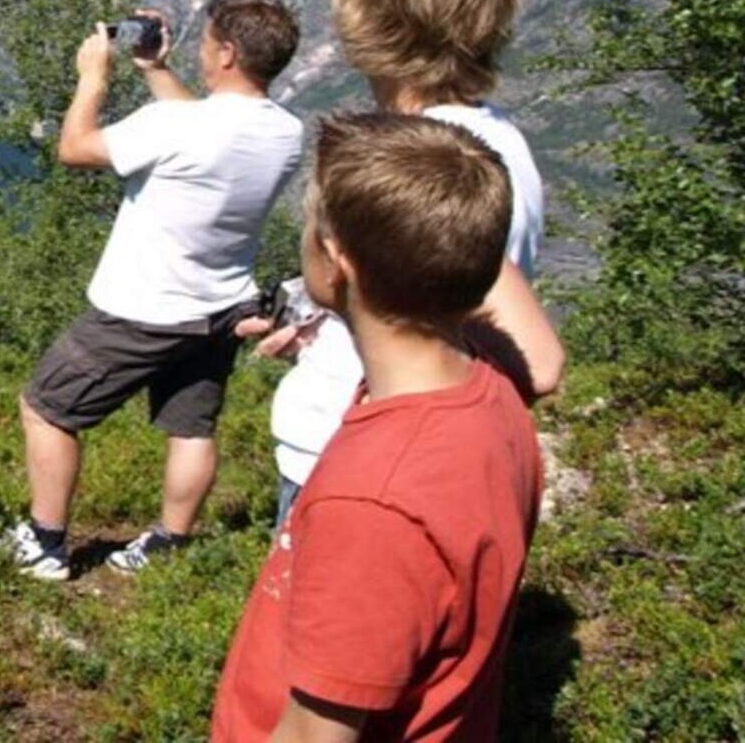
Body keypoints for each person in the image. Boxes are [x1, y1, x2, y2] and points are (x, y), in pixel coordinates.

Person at [212, 112, 543, 742]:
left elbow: (316, 735)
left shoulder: (376, 503)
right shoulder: (492, 397)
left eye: (311, 227)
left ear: (337, 263)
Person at [243, 0, 562, 530]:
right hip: (395, 452)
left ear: (370, 20)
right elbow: (443, 302)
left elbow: (537, 360)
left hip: (355, 464)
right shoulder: (492, 138)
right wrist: (340, 318)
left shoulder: (432, 163)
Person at [0, 0, 304, 581]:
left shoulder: (174, 125)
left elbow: (75, 149)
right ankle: (167, 542)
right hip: (220, 307)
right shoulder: (286, 133)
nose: (202, 49)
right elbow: (202, 129)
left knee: (47, 408)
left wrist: (95, 77)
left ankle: (45, 545)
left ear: (228, 53)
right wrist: (156, 71)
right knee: (191, 426)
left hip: (140, 310)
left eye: (209, 41)